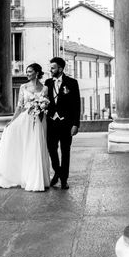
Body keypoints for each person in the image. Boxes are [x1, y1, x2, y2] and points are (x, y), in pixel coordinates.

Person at [0, 63, 50, 191]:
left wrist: (42, 106)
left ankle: (35, 179)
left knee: (36, 147)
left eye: (30, 71)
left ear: (36, 73)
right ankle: (22, 176)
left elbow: (46, 104)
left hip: (39, 121)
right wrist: (12, 122)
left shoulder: (45, 88)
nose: (27, 74)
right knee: (25, 147)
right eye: (27, 71)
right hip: (26, 120)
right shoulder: (23, 87)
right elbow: (19, 107)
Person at [44, 57, 81, 189]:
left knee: (65, 152)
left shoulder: (72, 83)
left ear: (60, 68)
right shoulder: (47, 83)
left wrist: (76, 124)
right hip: (51, 123)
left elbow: (77, 105)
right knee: (52, 151)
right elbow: (45, 101)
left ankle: (63, 180)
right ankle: (58, 173)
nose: (50, 70)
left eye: (53, 67)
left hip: (66, 124)